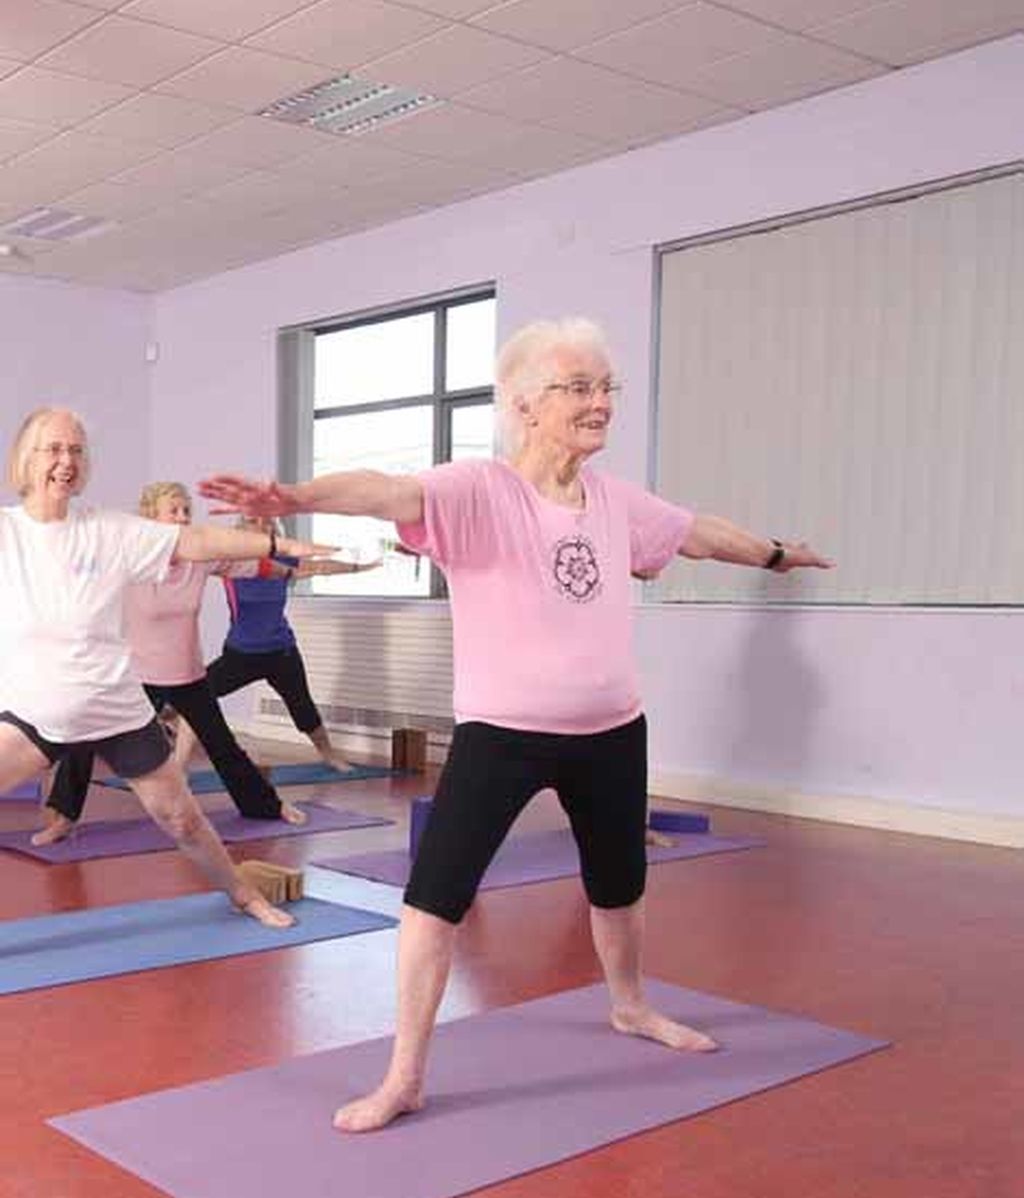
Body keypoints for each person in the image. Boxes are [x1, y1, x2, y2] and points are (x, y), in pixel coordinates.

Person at [200, 317, 833, 1128]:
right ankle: (405, 1076)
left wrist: (778, 553)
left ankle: (630, 1004)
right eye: (581, 387)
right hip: (502, 734)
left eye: (608, 387)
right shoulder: (479, 492)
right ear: (526, 406)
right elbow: (388, 491)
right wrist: (296, 498)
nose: (601, 402)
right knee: (435, 899)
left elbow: (698, 534)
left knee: (620, 886)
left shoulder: (614, 501)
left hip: (612, 731)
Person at [0, 407, 330, 928]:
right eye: (53, 449)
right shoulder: (6, 532)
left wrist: (277, 544)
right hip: (33, 714)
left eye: (76, 450)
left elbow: (193, 543)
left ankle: (245, 896)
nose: (66, 461)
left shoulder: (107, 530)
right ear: (26, 457)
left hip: (116, 709)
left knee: (183, 819)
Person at [34, 481, 357, 845]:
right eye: (174, 509)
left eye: (186, 510)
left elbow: (256, 566)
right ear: (152, 517)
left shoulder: (201, 559)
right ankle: (63, 818)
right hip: (138, 673)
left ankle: (266, 807)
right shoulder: (129, 559)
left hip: (187, 673)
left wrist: (291, 570)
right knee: (86, 739)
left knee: (222, 744)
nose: (183, 516)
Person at [179, 514, 377, 773]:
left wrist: (359, 567)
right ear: (243, 530)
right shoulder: (231, 564)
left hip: (281, 652)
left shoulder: (283, 562)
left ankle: (329, 755)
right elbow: (196, 555)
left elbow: (319, 567)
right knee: (197, 699)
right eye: (256, 521)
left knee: (303, 710)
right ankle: (177, 766)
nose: (264, 525)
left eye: (268, 522)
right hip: (240, 655)